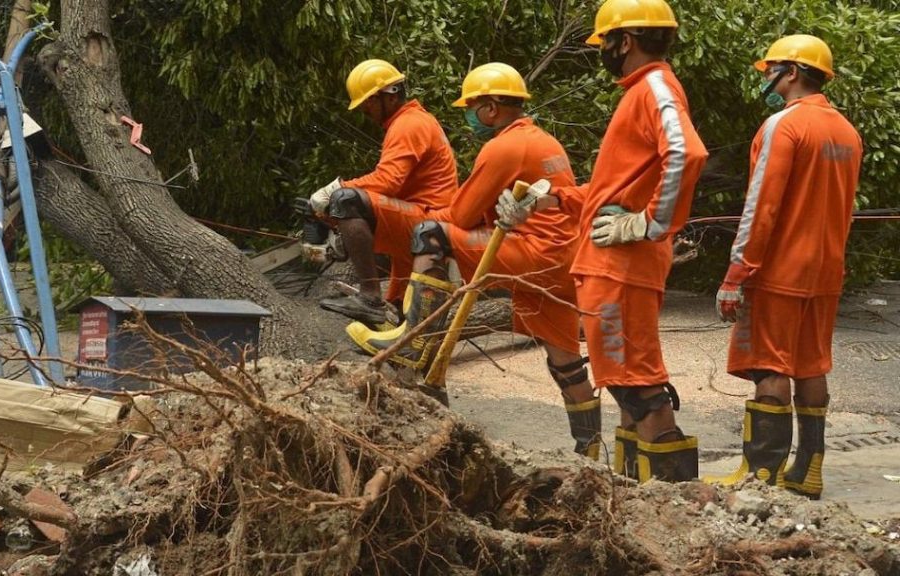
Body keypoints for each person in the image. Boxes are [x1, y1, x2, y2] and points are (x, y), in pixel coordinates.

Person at [348, 63, 600, 460]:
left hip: (531, 252)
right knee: (565, 363)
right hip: (561, 261)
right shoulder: (543, 141)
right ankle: (590, 447)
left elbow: (461, 215)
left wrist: (422, 217)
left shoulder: (503, 147)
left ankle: (413, 340)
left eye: (471, 108)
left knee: (431, 235)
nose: (469, 116)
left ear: (491, 108)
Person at [501, 0, 708, 482]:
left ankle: (675, 500)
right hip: (611, 264)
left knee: (637, 386)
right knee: (625, 384)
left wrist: (650, 223)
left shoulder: (654, 87)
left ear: (625, 41)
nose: (603, 51)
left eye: (606, 42)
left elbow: (686, 152)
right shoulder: (642, 91)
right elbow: (611, 190)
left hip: (621, 266)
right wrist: (549, 199)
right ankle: (637, 495)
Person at [705, 35, 862, 499]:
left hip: (779, 272)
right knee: (810, 365)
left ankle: (760, 476)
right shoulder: (846, 132)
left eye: (770, 69)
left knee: (770, 365)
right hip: (825, 271)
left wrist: (737, 273)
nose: (767, 78)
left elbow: (762, 205)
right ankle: (807, 471)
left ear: (791, 72)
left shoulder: (784, 125)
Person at [303, 59, 458, 326]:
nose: (366, 111)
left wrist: (335, 190)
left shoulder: (408, 124)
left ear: (389, 96)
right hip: (422, 221)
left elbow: (387, 181)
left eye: (368, 103)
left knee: (347, 201)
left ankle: (369, 298)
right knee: (400, 312)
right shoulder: (413, 121)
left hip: (429, 222)